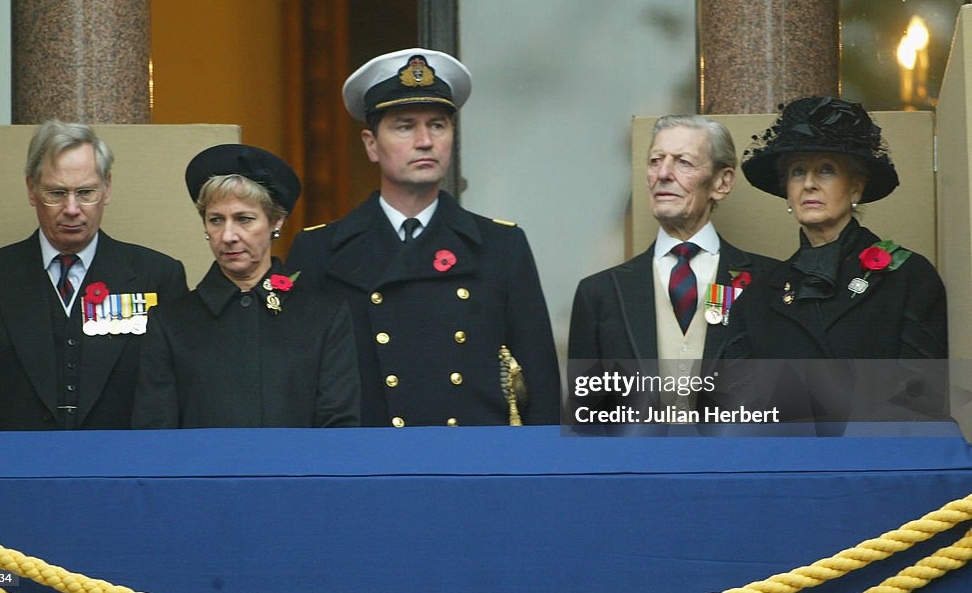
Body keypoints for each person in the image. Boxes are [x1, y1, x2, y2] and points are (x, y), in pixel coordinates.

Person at [286, 48, 561, 427]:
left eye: (437, 125)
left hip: (473, 468)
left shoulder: (501, 247)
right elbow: (298, 389)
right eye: (404, 126)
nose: (425, 141)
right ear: (370, 144)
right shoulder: (319, 251)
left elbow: (540, 387)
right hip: (367, 470)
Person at [0, 120, 188, 431]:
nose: (72, 208)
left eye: (86, 192)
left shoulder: (157, 277)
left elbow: (175, 400)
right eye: (57, 193)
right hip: (12, 472)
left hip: (125, 471)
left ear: (107, 188)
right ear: (32, 190)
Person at [727, 96, 948, 421]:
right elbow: (743, 408)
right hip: (788, 465)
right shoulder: (758, 297)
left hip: (876, 464)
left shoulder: (908, 276)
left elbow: (921, 399)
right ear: (787, 191)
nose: (809, 184)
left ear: (856, 188)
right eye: (797, 172)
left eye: (826, 170)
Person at [132, 144, 360, 428]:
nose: (228, 236)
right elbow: (155, 432)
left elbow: (338, 426)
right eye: (216, 220)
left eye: (244, 219)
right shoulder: (171, 322)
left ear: (275, 222)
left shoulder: (323, 317)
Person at [567, 115, 777, 416]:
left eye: (683, 162)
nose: (663, 173)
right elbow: (584, 417)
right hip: (635, 462)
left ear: (722, 181)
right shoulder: (600, 294)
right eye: (655, 161)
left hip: (736, 461)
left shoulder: (767, 283)